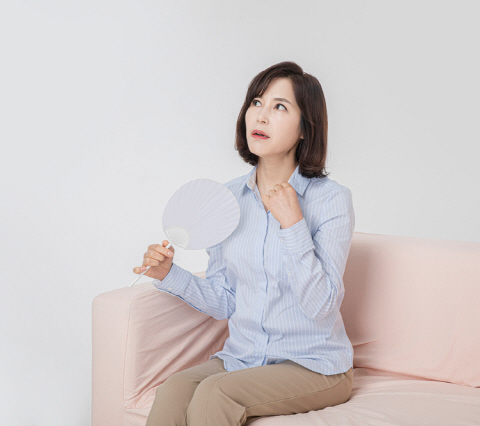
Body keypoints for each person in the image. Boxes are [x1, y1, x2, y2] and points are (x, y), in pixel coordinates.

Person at [134, 61, 355, 426]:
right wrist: (169, 274)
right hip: (244, 358)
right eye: (256, 102)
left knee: (216, 393)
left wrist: (292, 224)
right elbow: (226, 300)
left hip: (315, 365)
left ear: (305, 128)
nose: (261, 116)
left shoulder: (331, 200)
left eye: (279, 106)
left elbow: (321, 306)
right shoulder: (227, 200)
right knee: (174, 389)